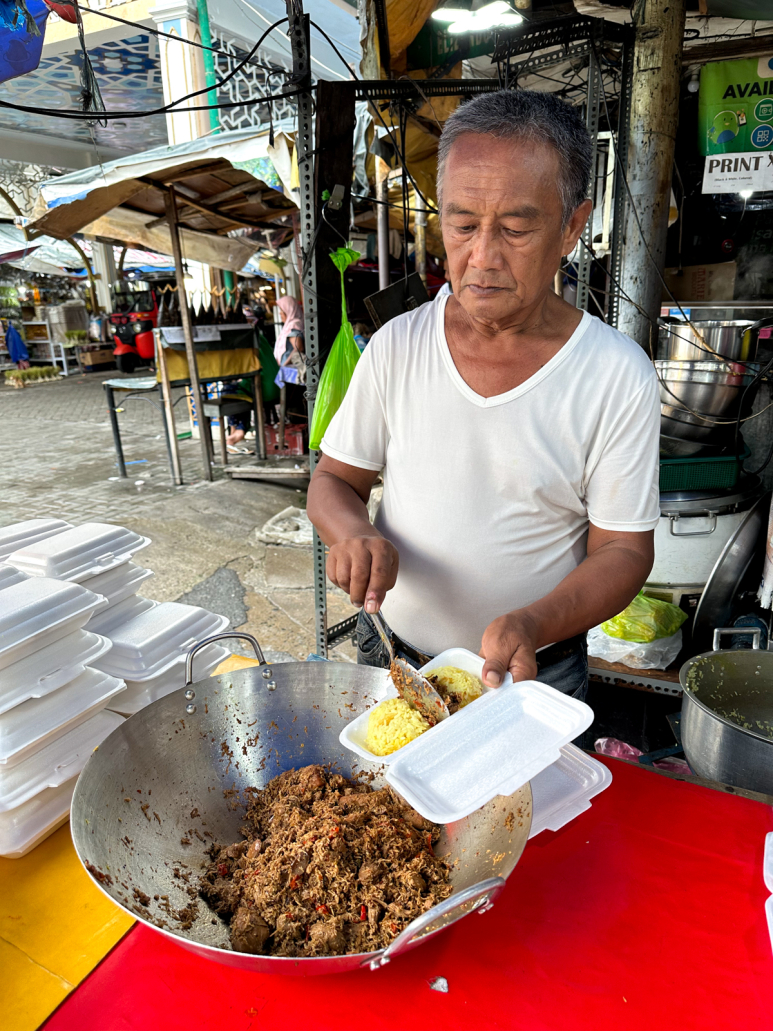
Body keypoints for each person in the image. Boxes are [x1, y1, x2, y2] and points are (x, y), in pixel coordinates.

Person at [306, 90, 660, 698]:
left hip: (533, 675)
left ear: (573, 225)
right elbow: (334, 481)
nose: (482, 257)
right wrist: (352, 534)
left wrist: (535, 621)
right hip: (394, 656)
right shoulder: (398, 347)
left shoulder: (615, 374)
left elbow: (624, 550)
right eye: (462, 225)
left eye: (516, 228)